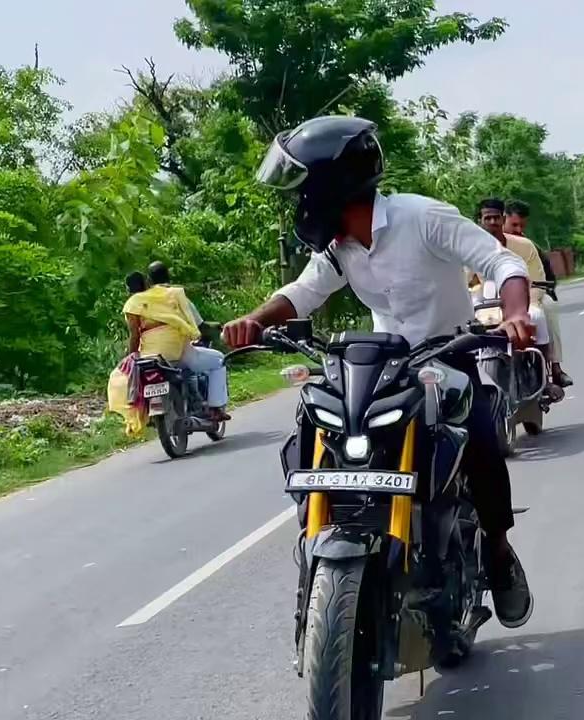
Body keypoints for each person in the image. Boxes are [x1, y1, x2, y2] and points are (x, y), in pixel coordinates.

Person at [222, 116, 534, 627]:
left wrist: (517, 313)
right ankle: (323, 543)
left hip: (448, 356)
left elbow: (501, 263)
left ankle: (498, 553)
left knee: (479, 436)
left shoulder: (422, 218)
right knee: (319, 423)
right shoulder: (339, 248)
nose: (298, 205)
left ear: (331, 185)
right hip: (383, 367)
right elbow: (302, 293)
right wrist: (254, 320)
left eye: (303, 191)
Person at [473, 199, 572, 388]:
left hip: (526, 299)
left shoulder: (525, 246)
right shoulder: (471, 248)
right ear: (480, 221)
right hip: (488, 303)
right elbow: (466, 280)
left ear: (502, 219)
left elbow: (538, 280)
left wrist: (526, 305)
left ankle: (548, 371)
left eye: (496, 218)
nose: (493, 223)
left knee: (540, 314)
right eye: (488, 218)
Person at [146, 260, 230, 421]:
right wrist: (217, 327)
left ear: (149, 280)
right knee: (219, 359)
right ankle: (215, 408)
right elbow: (200, 325)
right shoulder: (176, 295)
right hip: (178, 352)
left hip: (150, 356)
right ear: (168, 276)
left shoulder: (142, 301)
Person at [503, 199, 572, 387]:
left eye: (521, 225)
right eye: (513, 224)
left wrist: (532, 300)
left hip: (529, 295)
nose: (517, 229)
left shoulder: (527, 246)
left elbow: (544, 276)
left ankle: (553, 367)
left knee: (547, 308)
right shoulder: (482, 243)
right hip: (492, 298)